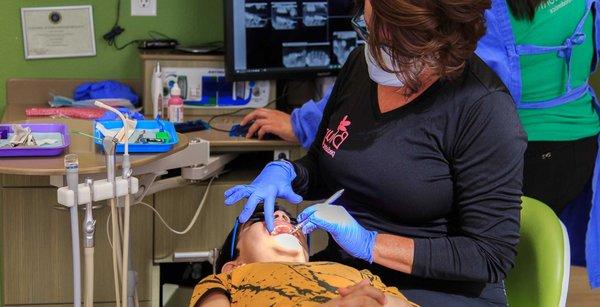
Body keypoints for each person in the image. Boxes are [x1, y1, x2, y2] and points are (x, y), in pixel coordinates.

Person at [224, 0, 528, 305]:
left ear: (430, 38)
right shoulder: (361, 67)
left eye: (385, 39)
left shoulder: (484, 110)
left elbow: (489, 256)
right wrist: (289, 173)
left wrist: (371, 244)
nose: (370, 44)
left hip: (439, 290)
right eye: (367, 26)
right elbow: (324, 162)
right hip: (347, 275)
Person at [189, 206, 416, 307]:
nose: (281, 216)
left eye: (290, 218)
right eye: (260, 218)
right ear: (233, 266)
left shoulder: (359, 275)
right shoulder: (225, 281)